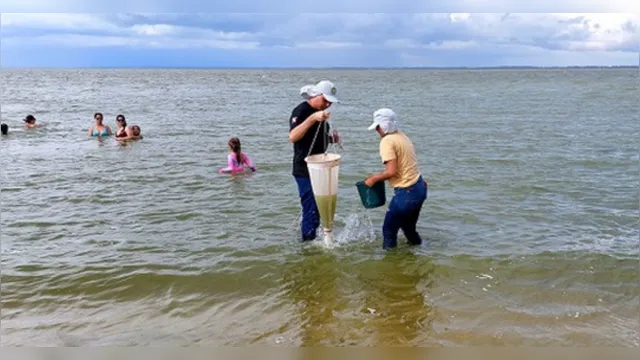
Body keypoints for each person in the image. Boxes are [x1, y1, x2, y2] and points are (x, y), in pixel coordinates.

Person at [363, 108, 428, 250]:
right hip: (420, 187)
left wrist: (374, 179)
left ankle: (389, 267)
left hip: (407, 193)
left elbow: (392, 172)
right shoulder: (402, 136)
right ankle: (423, 250)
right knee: (409, 229)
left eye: (377, 127)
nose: (377, 131)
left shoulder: (387, 141)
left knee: (388, 231)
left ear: (383, 126)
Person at [288, 80, 341, 241]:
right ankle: (307, 245)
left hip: (320, 166)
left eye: (330, 103)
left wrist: (331, 139)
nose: (327, 105)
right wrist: (312, 118)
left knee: (320, 206)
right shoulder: (302, 111)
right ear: (316, 95)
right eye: (325, 100)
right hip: (304, 169)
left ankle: (319, 236)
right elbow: (293, 136)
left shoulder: (321, 112)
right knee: (311, 207)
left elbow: (315, 138)